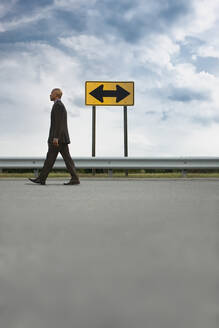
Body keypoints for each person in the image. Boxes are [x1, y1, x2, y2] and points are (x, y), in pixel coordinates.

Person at [29, 88, 80, 186]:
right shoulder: (58, 105)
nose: (50, 95)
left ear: (56, 95)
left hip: (58, 139)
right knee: (59, 159)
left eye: (51, 93)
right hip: (61, 138)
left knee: (52, 159)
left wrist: (56, 137)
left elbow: (59, 123)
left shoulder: (58, 105)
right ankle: (74, 178)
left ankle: (42, 179)